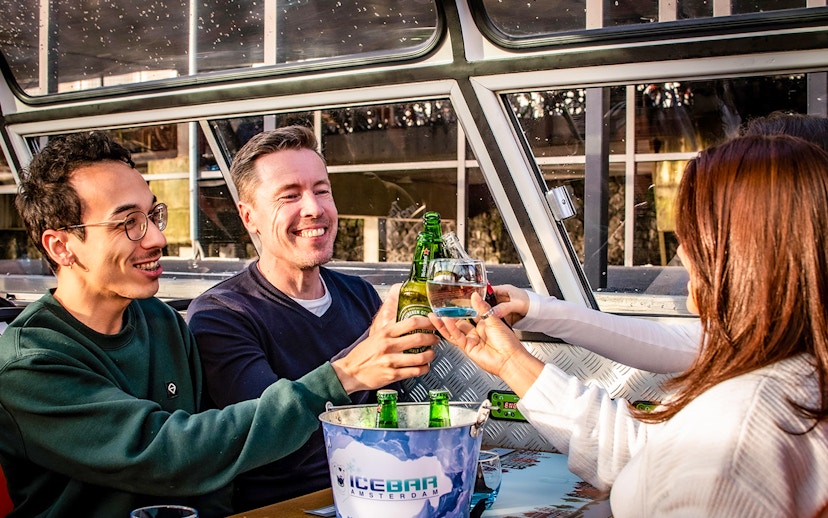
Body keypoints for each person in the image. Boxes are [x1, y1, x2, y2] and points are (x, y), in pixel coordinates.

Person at [0, 131, 437, 517]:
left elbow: (216, 476)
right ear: (61, 246)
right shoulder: (29, 365)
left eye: (153, 216)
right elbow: (177, 453)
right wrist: (346, 374)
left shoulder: (160, 322)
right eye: (127, 224)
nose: (155, 238)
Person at [430, 134, 828, 517]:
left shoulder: (736, 439)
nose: (681, 250)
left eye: (691, 232)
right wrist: (512, 361)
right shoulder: (791, 373)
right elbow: (644, 453)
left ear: (742, 252)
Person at [186, 125, 428, 511]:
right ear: (250, 217)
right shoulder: (222, 315)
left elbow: (393, 414)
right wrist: (358, 364)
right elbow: (273, 441)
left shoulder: (360, 294)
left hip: (385, 492)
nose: (314, 208)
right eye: (290, 196)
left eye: (321, 190)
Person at [498, 111, 828, 375]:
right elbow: (680, 344)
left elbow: (635, 444)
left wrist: (514, 362)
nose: (683, 252)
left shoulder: (760, 398)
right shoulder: (784, 341)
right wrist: (537, 310)